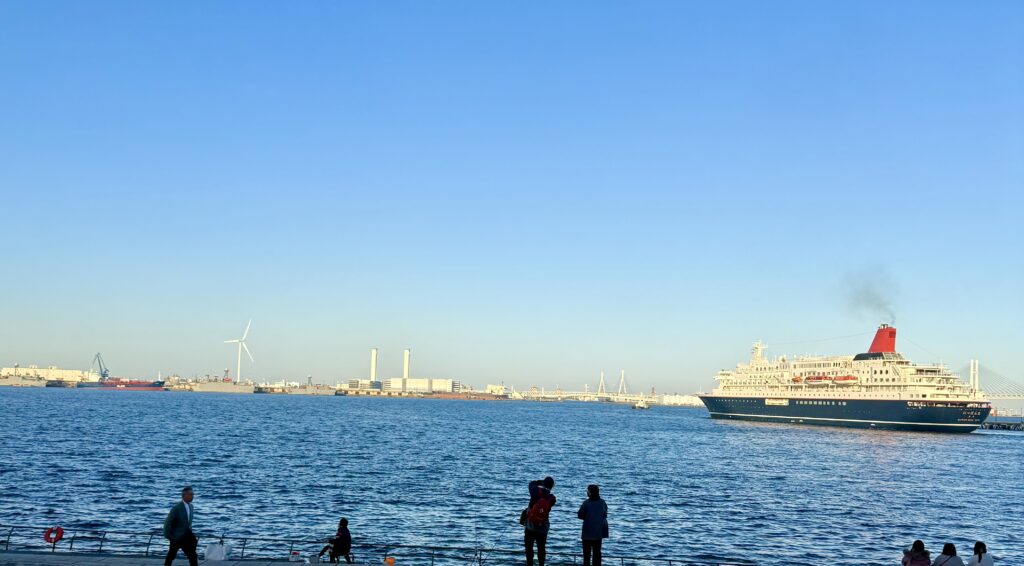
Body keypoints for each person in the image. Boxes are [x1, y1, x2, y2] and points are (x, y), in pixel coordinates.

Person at [163, 486, 199, 566]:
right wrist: (169, 536)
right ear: (184, 495)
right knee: (171, 555)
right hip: (177, 537)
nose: (193, 496)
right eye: (191, 494)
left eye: (193, 494)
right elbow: (167, 523)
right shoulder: (176, 508)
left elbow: (188, 523)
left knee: (192, 555)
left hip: (187, 536)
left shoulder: (191, 506)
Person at [525, 476, 556, 566]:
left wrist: (540, 482)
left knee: (529, 548)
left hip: (530, 525)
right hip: (543, 526)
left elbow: (531, 483)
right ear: (551, 486)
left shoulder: (534, 491)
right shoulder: (552, 498)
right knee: (541, 548)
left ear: (543, 483)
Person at [576, 484, 608, 566]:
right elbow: (605, 514)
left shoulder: (586, 503)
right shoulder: (602, 503)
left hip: (587, 533)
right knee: (597, 555)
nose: (587, 492)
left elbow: (580, 515)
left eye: (588, 491)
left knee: (586, 556)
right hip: (598, 533)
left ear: (590, 492)